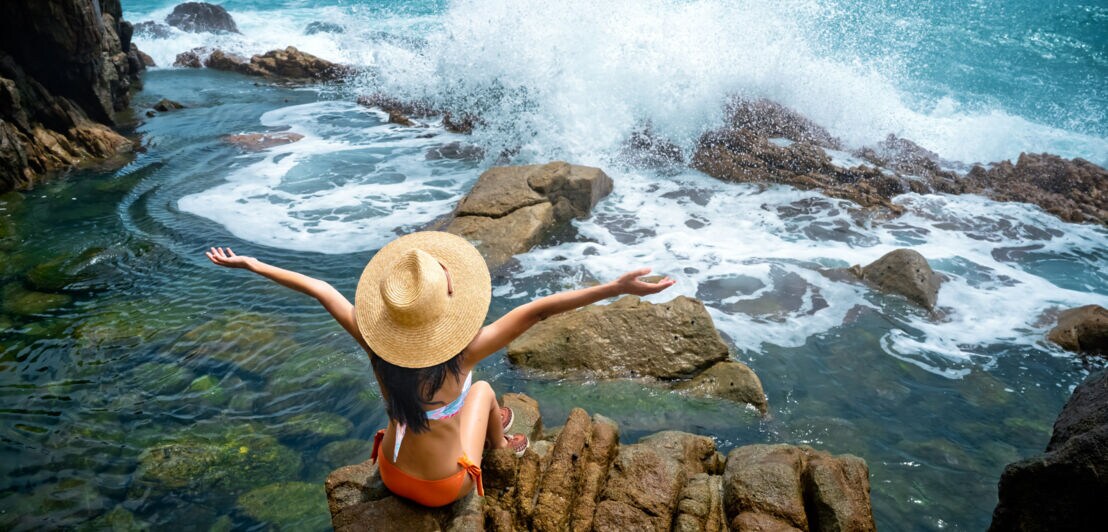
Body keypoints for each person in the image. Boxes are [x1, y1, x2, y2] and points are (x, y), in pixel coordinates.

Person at [206, 231, 675, 507]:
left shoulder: (374, 345)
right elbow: (538, 311)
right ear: (445, 304)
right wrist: (616, 287)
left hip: (392, 474)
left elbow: (321, 289)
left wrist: (253, 263)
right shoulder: (463, 354)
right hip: (443, 488)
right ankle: (502, 444)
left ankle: (470, 422)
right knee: (483, 390)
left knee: (446, 403)